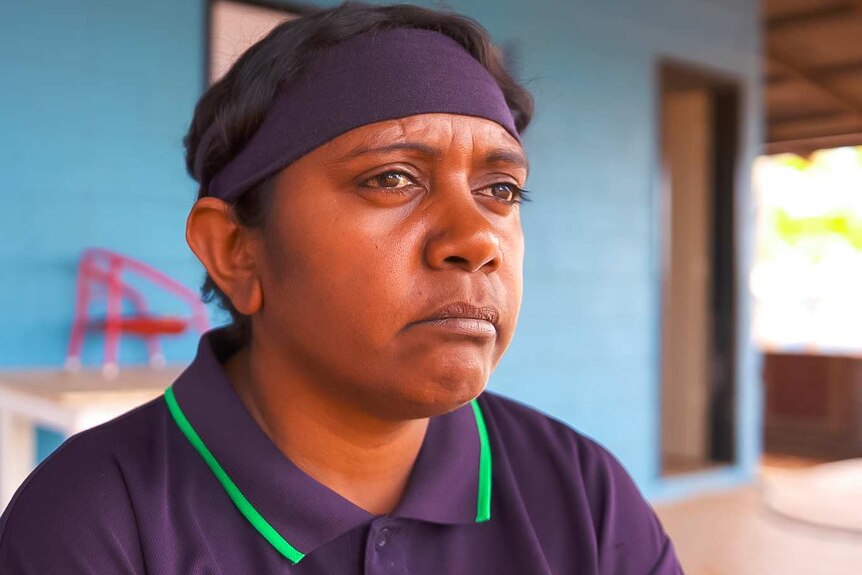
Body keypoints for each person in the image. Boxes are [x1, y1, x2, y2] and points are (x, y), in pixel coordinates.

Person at [0, 2, 683, 573]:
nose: (477, 240)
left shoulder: (585, 501)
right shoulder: (91, 525)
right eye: (392, 178)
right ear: (236, 249)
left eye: (500, 189)